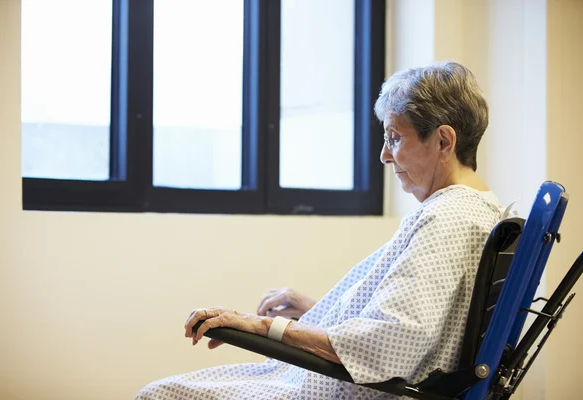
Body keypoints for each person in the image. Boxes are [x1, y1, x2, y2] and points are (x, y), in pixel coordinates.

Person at [136, 61, 504, 400]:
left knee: (159, 394)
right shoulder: (479, 209)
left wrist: (261, 326)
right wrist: (316, 309)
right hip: (323, 379)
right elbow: (411, 322)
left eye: (394, 137)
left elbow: (389, 343)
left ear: (443, 141)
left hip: (329, 389)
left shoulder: (447, 220)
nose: (383, 155)